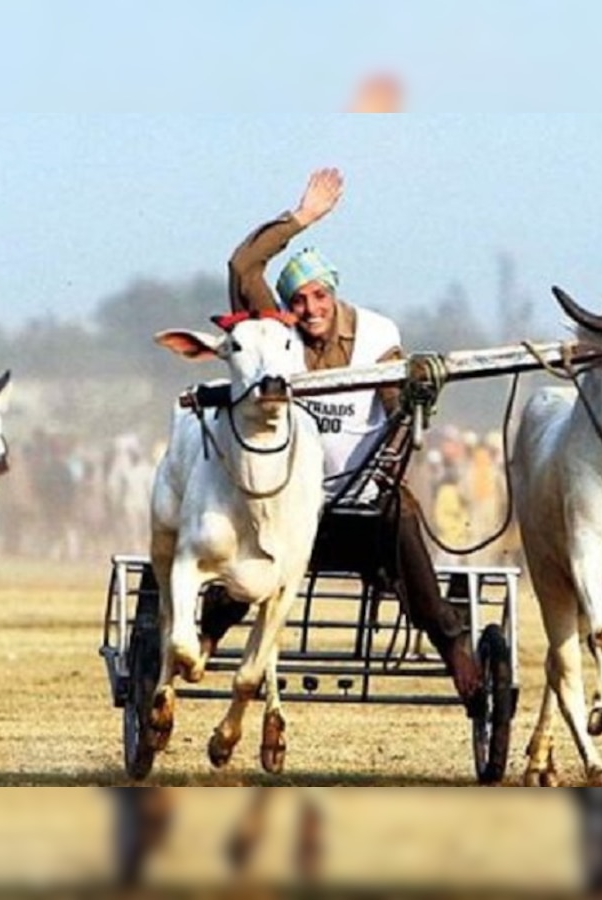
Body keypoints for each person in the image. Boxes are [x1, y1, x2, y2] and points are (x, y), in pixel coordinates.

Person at [204, 166, 482, 704]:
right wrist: (303, 218)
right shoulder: (274, 334)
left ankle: (452, 644)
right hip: (284, 505)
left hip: (359, 504)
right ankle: (209, 633)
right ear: (284, 308)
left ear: (333, 294)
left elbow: (397, 404)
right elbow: (243, 264)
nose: (309, 310)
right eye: (298, 302)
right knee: (247, 552)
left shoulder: (378, 335)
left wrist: (409, 411)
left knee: (402, 516)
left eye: (318, 297)